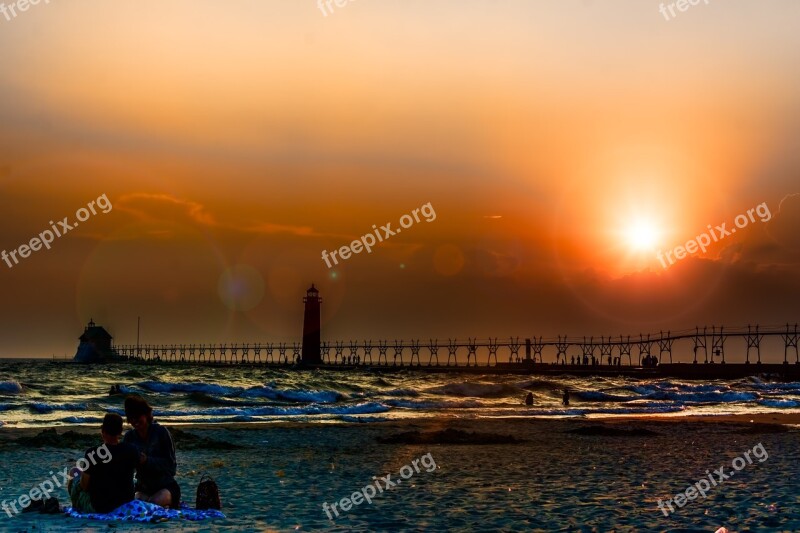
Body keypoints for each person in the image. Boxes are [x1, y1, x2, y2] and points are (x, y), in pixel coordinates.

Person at [69, 413, 139, 514]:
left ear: (103, 431)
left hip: (100, 506)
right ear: (120, 432)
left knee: (73, 471)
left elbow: (84, 485)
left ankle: (76, 506)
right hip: (125, 502)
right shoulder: (132, 450)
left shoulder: (93, 453)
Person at [123, 395, 181, 508]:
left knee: (155, 503)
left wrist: (147, 461)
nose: (135, 421)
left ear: (146, 415)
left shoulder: (161, 433)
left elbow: (171, 466)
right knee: (139, 505)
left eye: (137, 417)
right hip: (143, 488)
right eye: (131, 418)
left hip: (165, 486)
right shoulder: (129, 437)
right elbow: (126, 469)